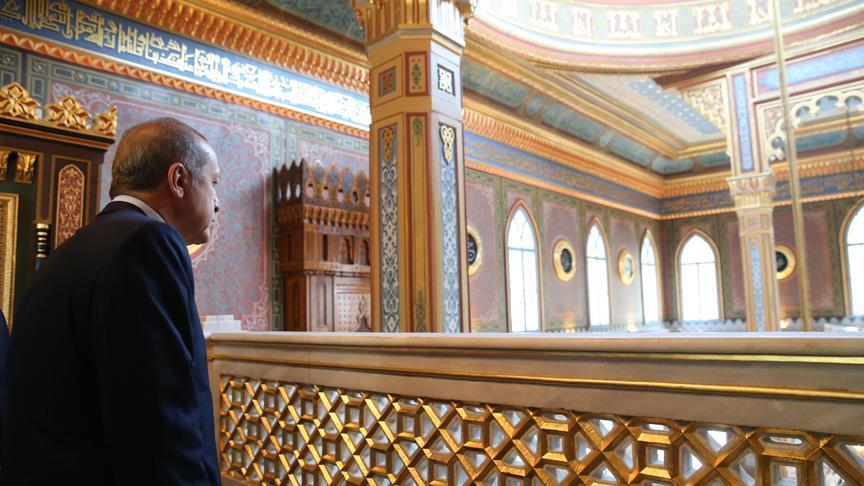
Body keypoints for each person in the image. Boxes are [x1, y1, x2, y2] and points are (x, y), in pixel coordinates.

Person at [2, 118, 222, 485]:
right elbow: (158, 421)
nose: (217, 203)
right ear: (178, 180)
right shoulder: (148, 242)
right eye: (213, 183)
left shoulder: (72, 250)